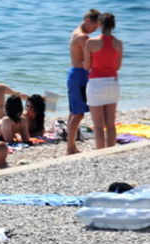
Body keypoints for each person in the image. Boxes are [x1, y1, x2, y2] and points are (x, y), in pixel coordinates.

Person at [85, 12, 122, 150]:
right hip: (112, 83)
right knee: (111, 124)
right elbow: (117, 66)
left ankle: (100, 152)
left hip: (96, 84)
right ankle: (111, 150)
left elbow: (87, 66)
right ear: (113, 25)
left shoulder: (91, 42)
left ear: (99, 24)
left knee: (98, 125)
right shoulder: (118, 43)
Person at [66, 9, 101, 155]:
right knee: (78, 114)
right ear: (88, 21)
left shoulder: (75, 33)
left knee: (73, 113)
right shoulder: (82, 37)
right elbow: (90, 59)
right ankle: (70, 148)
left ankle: (72, 146)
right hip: (79, 75)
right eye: (94, 27)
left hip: (75, 74)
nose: (94, 30)